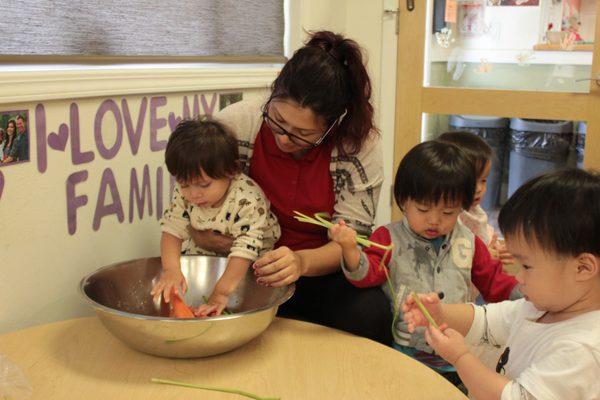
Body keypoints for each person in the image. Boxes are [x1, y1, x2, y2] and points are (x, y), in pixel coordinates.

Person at [192, 30, 391, 344]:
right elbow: (192, 202)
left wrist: (301, 262)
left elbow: (354, 240)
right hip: (244, 263)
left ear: (333, 124)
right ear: (272, 94)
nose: (284, 139)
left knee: (372, 314)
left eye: (302, 134)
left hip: (317, 269)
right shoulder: (238, 124)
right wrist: (223, 244)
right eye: (278, 121)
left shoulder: (358, 148)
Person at [403, 168, 600, 400]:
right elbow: (486, 320)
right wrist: (440, 313)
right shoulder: (543, 306)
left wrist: (460, 358)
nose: (518, 277)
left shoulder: (583, 349)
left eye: (526, 266)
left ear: (583, 268)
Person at [329, 140, 520, 376]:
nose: (434, 220)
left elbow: (494, 281)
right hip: (405, 352)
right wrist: (350, 249)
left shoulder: (469, 242)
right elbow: (368, 275)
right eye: (423, 209)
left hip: (455, 354)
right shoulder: (388, 236)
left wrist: (527, 296)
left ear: (462, 207)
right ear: (403, 201)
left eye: (448, 212)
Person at [151, 118, 280, 317]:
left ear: (231, 171)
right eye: (184, 184)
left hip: (249, 261)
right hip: (205, 251)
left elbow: (244, 251)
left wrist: (220, 294)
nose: (193, 194)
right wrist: (171, 270)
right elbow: (172, 230)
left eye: (203, 185)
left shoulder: (248, 199)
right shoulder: (184, 192)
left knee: (248, 292)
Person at [438, 131, 514, 264]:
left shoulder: (474, 211)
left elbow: (482, 237)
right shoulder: (446, 216)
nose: (478, 189)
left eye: (483, 180)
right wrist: (482, 256)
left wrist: (494, 249)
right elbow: (446, 256)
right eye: (471, 182)